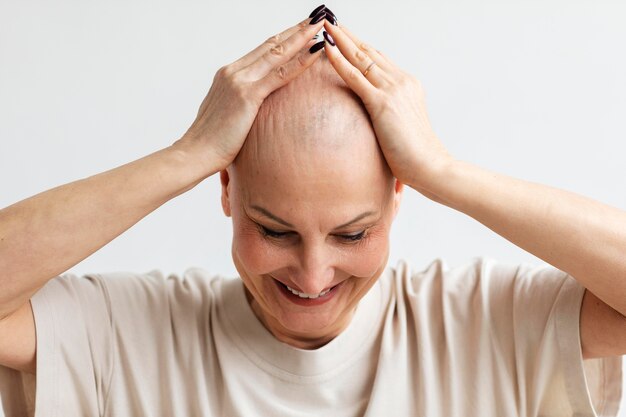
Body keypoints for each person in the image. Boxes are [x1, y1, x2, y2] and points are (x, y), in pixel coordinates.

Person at [0, 5, 624, 416]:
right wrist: (186, 154)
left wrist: (443, 170)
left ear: (398, 195)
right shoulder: (123, 334)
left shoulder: (487, 323)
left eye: (353, 234)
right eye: (274, 230)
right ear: (225, 191)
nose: (313, 274)